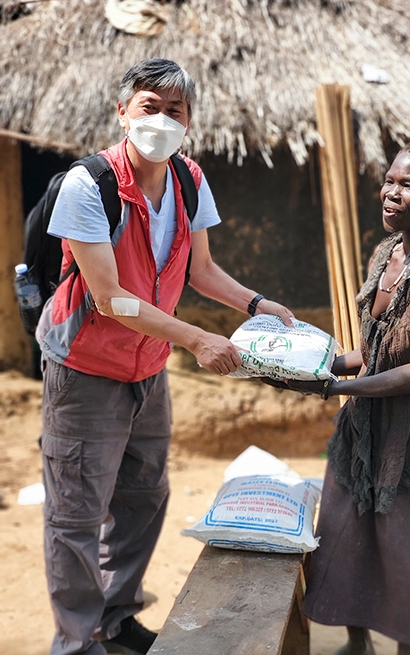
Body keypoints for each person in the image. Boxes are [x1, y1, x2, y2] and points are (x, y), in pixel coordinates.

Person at [38, 58, 293, 655]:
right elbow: (109, 299)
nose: (161, 120)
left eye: (175, 111)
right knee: (76, 515)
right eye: (149, 107)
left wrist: (255, 303)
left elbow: (201, 270)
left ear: (190, 122)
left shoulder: (189, 180)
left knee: (143, 497)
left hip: (149, 367)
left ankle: (116, 620)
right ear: (123, 112)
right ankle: (77, 643)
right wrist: (199, 340)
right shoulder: (88, 185)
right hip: (85, 368)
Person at [269, 138, 410, 654]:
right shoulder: (387, 251)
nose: (391, 193)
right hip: (365, 429)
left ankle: (407, 648)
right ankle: (357, 642)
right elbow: (375, 351)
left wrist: (333, 387)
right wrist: (307, 363)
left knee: (408, 556)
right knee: (347, 540)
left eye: (409, 185)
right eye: (390, 180)